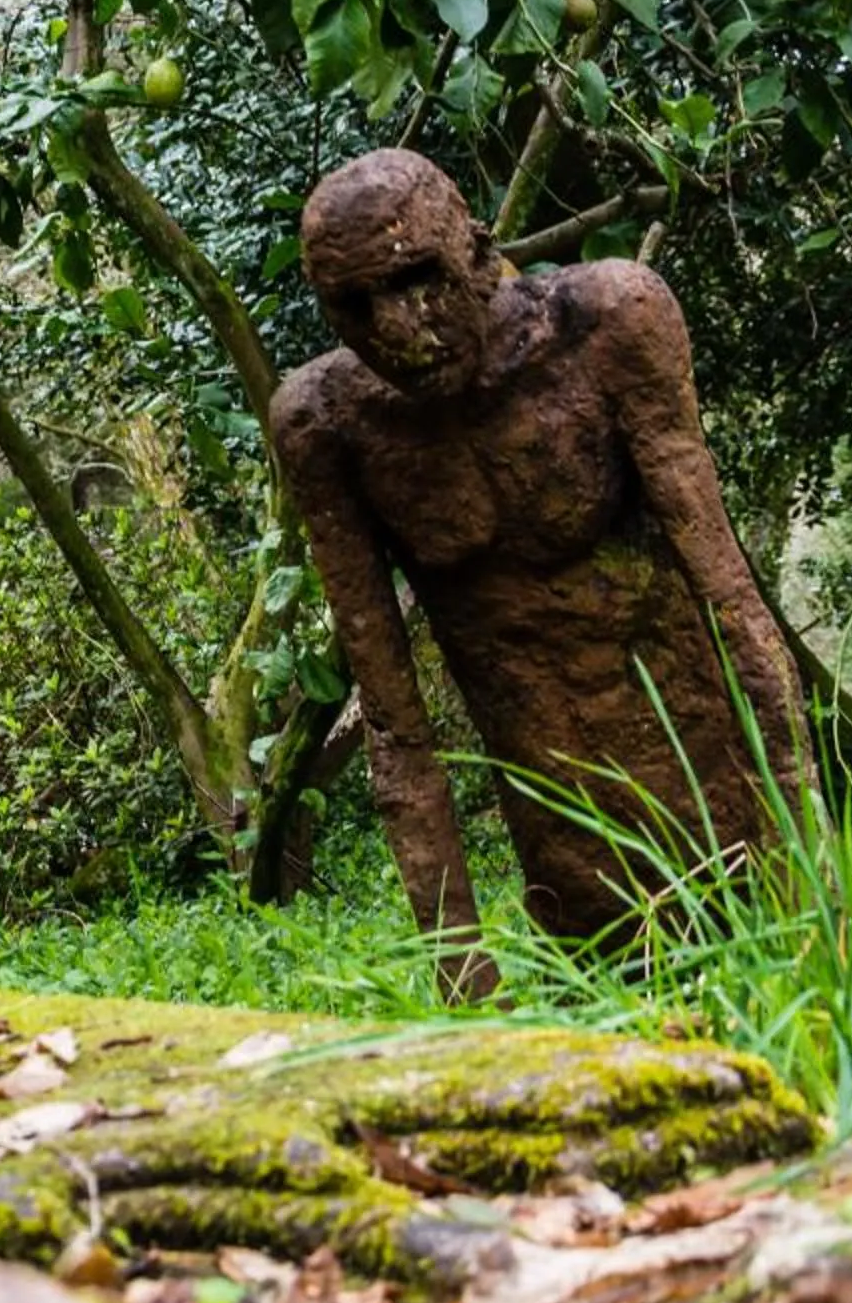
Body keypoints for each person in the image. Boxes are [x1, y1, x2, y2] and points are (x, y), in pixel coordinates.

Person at [268, 150, 804, 1001]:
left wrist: (807, 884)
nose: (399, 331)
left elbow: (732, 602)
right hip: (568, 853)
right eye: (355, 307)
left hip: (718, 798)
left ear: (478, 251)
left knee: (760, 1008)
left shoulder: (608, 325)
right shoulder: (327, 425)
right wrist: (464, 979)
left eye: (418, 280)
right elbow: (399, 737)